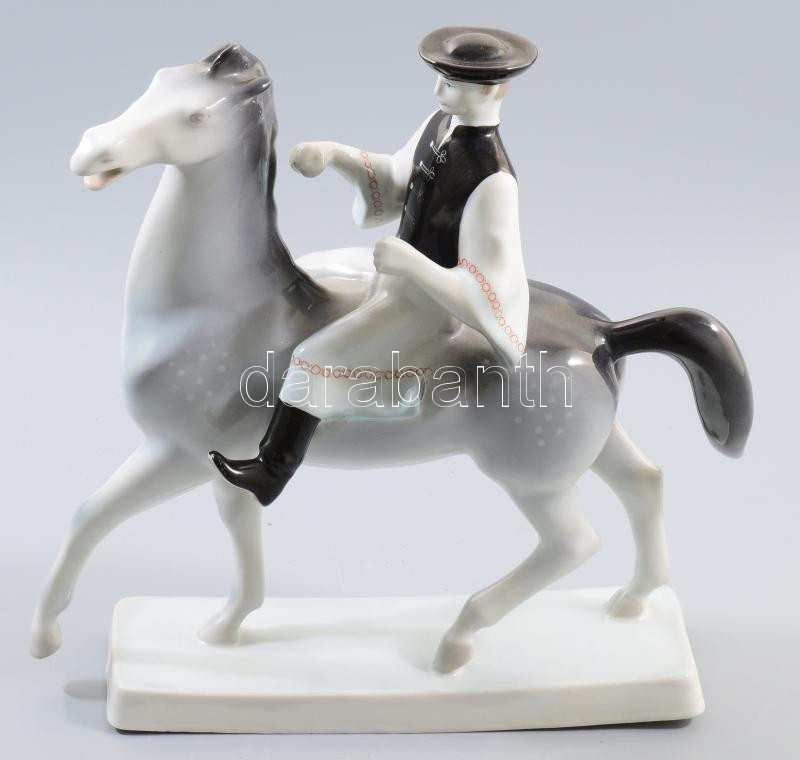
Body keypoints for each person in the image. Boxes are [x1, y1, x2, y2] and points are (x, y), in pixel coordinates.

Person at [210, 26, 538, 505]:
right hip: (389, 273)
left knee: (316, 355)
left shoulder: (494, 180)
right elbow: (395, 178)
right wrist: (335, 155)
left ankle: (273, 468)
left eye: (451, 84)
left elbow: (485, 282)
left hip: (425, 301)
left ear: (494, 90)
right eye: (440, 79)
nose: (438, 91)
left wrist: (411, 263)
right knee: (305, 278)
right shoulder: (438, 125)